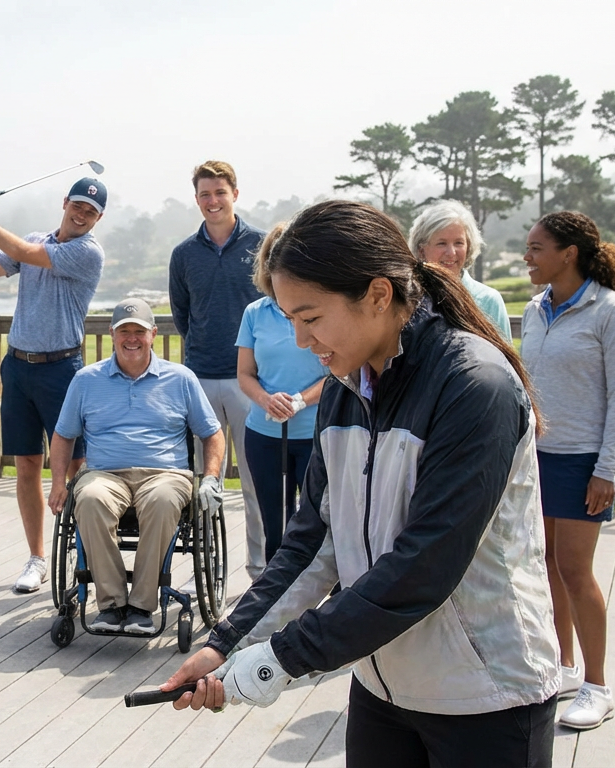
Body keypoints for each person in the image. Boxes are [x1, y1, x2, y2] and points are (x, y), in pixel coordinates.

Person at [162, 200, 560, 768]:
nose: (302, 341)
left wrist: (280, 657)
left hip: (486, 694)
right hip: (381, 687)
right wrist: (227, 642)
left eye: (311, 317)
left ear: (377, 294)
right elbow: (312, 542)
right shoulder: (346, 382)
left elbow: (424, 568)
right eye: (289, 320)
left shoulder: (475, 386)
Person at [520, 210, 615, 731]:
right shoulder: (535, 308)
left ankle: (597, 685)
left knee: (574, 570)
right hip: (536, 459)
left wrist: (605, 469)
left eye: (537, 248)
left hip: (583, 462)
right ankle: (563, 669)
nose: (528, 257)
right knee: (545, 567)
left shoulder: (611, 312)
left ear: (568, 253)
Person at [47, 300, 225, 634]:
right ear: (112, 334)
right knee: (89, 499)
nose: (132, 338)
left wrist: (211, 479)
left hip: (166, 474)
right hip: (104, 473)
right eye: (124, 331)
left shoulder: (181, 378)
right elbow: (62, 435)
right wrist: (59, 483)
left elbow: (212, 434)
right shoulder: (86, 380)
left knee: (161, 501)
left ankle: (142, 606)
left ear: (153, 335)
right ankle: (112, 605)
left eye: (139, 332)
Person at [0, 178, 106, 593]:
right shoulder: (33, 240)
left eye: (91, 212)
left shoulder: (86, 252)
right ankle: (37, 559)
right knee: (26, 464)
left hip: (61, 369)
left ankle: (84, 551)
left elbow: (26, 254)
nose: (81, 214)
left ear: (98, 219)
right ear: (65, 203)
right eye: (77, 205)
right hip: (19, 366)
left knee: (75, 466)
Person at [168, 160, 268, 580]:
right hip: (199, 380)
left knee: (256, 482)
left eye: (219, 192)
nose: (212, 201)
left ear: (235, 194)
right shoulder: (184, 254)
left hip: (252, 382)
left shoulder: (262, 245)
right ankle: (203, 569)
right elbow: (181, 314)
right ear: (197, 200)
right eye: (205, 194)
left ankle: (262, 569)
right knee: (197, 481)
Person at [235, 247, 327, 566]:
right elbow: (245, 374)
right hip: (263, 436)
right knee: (275, 528)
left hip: (314, 435)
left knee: (317, 522)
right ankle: (275, 601)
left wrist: (300, 401)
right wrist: (266, 400)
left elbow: (337, 373)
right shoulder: (254, 313)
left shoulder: (321, 309)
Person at [408, 200, 512, 339]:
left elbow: (504, 359)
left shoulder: (489, 301)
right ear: (421, 250)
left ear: (469, 246)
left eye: (459, 243)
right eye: (441, 243)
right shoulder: (408, 297)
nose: (451, 252)